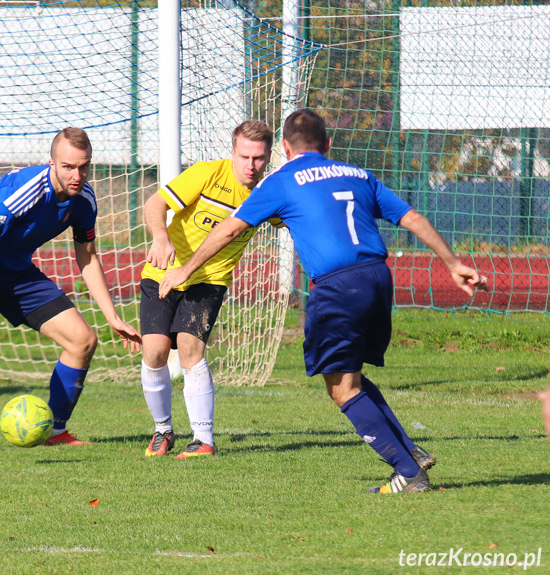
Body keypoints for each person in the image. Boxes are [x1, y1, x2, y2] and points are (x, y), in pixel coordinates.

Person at [160, 109, 488, 492]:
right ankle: (409, 451)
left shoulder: (280, 182)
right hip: (379, 278)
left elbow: (229, 230)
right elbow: (412, 218)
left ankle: (409, 473)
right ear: (328, 144)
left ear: (283, 147)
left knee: (340, 387)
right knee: (351, 374)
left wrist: (185, 270)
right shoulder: (358, 174)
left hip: (337, 286)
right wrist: (453, 264)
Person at [0, 127, 141, 452]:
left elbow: (87, 256)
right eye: (68, 166)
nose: (76, 175)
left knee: (83, 341)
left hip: (15, 270)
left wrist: (113, 317)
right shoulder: (28, 190)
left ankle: (56, 430)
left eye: (83, 166)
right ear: (52, 163)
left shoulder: (85, 199)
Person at [139, 120, 274, 459]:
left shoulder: (268, 195)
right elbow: (155, 204)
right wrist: (160, 236)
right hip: (162, 272)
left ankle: (203, 440)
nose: (251, 165)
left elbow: (297, 217)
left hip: (209, 280)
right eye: (244, 156)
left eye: (258, 158)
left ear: (269, 156)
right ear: (233, 152)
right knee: (154, 352)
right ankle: (162, 431)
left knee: (189, 349)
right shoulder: (207, 174)